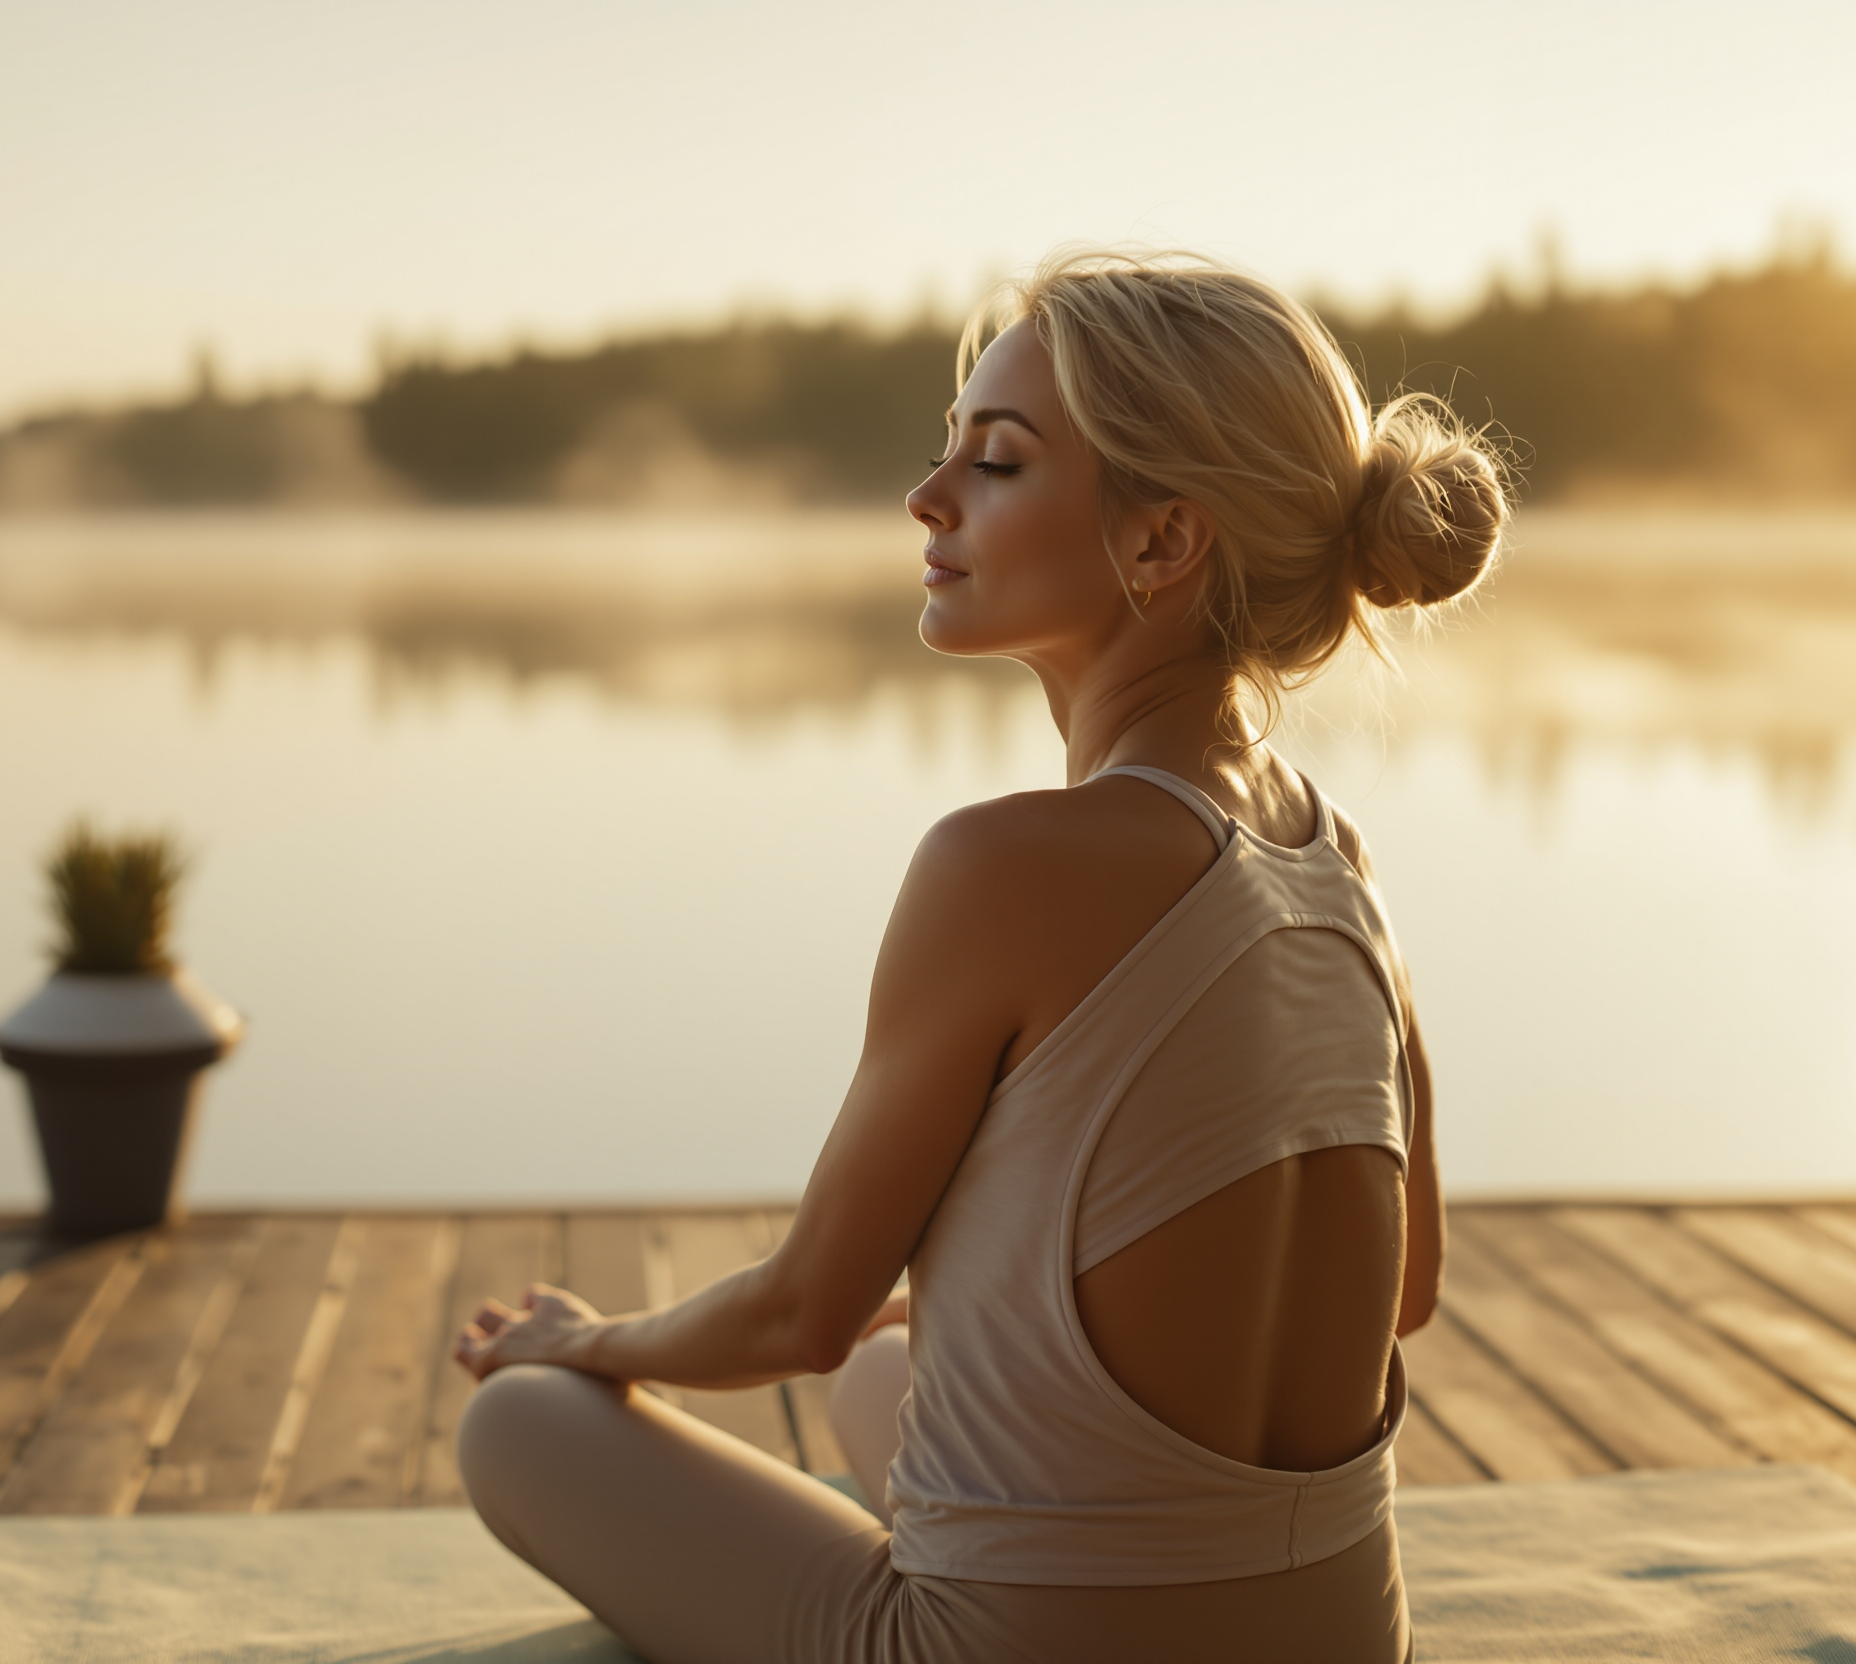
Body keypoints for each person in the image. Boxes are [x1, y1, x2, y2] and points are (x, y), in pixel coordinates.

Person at [450, 249, 1506, 1664]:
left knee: (521, 1423)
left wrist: (582, 1340)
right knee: (898, 1375)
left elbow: (798, 1310)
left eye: (996, 464)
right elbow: (1405, 1293)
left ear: (1159, 542)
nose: (925, 499)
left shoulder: (1001, 867)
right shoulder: (1340, 864)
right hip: (1335, 1635)